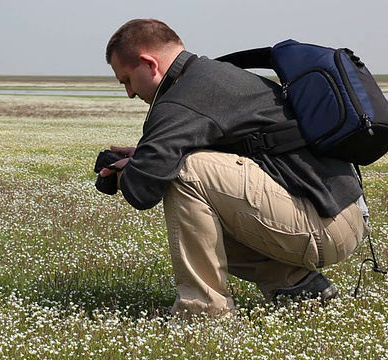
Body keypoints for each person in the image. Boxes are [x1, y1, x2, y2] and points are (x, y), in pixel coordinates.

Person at [98, 18, 370, 318]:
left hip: (324, 225)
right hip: (342, 216)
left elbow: (142, 190)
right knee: (195, 184)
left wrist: (120, 174)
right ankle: (298, 286)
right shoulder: (211, 76)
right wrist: (146, 155)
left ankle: (203, 313)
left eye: (126, 80)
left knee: (184, 172)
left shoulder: (183, 97)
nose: (129, 93)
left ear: (149, 64)